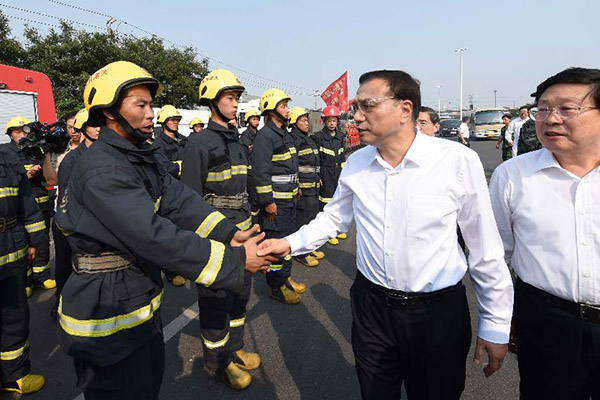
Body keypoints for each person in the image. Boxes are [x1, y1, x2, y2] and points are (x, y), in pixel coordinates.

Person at [258, 70, 513, 400]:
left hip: (437, 315)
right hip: (372, 310)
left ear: (405, 109)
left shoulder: (456, 161)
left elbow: (484, 248)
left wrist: (495, 323)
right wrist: (287, 244)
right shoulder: (357, 164)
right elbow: (332, 220)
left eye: (368, 105)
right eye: (356, 106)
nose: (357, 116)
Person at [54, 61, 275, 399]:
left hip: (135, 297)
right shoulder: (102, 169)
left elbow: (180, 200)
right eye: (140, 105)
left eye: (151, 105)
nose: (151, 114)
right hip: (105, 313)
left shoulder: (134, 157)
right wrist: (234, 260)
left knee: (148, 384)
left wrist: (229, 234)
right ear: (110, 112)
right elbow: (153, 235)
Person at [489, 67, 600, 399]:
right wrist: (497, 319)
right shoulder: (512, 175)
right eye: (543, 109)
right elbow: (495, 255)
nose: (551, 119)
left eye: (566, 109)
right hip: (546, 323)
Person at [181, 69, 258, 389]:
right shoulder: (200, 142)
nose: (236, 104)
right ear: (212, 101)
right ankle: (217, 362)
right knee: (216, 300)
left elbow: (246, 185)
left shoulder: (237, 141)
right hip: (215, 236)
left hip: (242, 232)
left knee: (240, 295)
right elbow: (189, 198)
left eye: (237, 99)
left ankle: (235, 346)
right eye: (230, 98)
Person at [251, 88, 305, 304]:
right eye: (283, 106)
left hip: (290, 200)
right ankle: (275, 286)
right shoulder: (265, 136)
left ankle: (286, 277)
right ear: (271, 110)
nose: (288, 109)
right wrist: (268, 202)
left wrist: (297, 186)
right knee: (275, 247)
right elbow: (260, 173)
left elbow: (290, 167)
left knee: (288, 243)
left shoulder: (285, 134)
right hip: (276, 205)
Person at [0, 149, 47, 395]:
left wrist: (34, 241)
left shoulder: (7, 158)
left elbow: (27, 204)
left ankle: (14, 376)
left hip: (11, 250)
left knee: (14, 318)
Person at [51, 109, 100, 317]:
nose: (99, 129)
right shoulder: (71, 160)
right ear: (82, 129)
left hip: (94, 222)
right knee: (65, 265)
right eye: (93, 125)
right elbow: (65, 197)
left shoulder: (103, 154)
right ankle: (61, 303)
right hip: (70, 223)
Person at [1, 116, 57, 294]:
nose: (21, 135)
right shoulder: (6, 153)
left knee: (41, 239)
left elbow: (50, 177)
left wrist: (45, 157)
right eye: (16, 132)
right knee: (21, 242)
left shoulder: (34, 149)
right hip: (20, 206)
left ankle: (42, 276)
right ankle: (25, 281)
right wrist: (27, 176)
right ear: (10, 134)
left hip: (40, 202)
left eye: (23, 131)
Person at [153, 104, 188, 286]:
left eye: (177, 119)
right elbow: (165, 169)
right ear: (163, 122)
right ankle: (171, 271)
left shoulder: (184, 139)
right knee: (170, 234)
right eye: (172, 119)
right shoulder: (157, 144)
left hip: (186, 192)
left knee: (185, 232)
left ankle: (184, 265)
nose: (175, 122)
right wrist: (185, 167)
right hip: (169, 195)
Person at [288, 106, 322, 267]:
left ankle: (308, 247)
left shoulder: (308, 139)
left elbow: (314, 162)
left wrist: (318, 177)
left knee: (311, 219)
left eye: (307, 120)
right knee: (302, 221)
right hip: (303, 188)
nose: (307, 123)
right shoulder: (293, 141)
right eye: (303, 120)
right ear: (294, 123)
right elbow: (292, 166)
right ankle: (301, 252)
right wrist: (297, 186)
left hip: (313, 186)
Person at [314, 105, 347, 245]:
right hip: (325, 172)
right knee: (326, 203)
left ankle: (336, 229)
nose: (332, 123)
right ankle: (327, 232)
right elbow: (316, 158)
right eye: (329, 121)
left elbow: (342, 156)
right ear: (324, 121)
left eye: (334, 121)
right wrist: (318, 176)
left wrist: (344, 173)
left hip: (337, 171)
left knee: (337, 202)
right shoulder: (319, 137)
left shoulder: (340, 137)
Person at [239, 108, 261, 225]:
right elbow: (248, 151)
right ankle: (254, 222)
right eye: (254, 119)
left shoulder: (260, 134)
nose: (256, 121)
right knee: (253, 198)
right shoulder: (245, 136)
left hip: (259, 170)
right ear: (248, 121)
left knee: (259, 197)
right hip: (250, 171)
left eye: (257, 119)